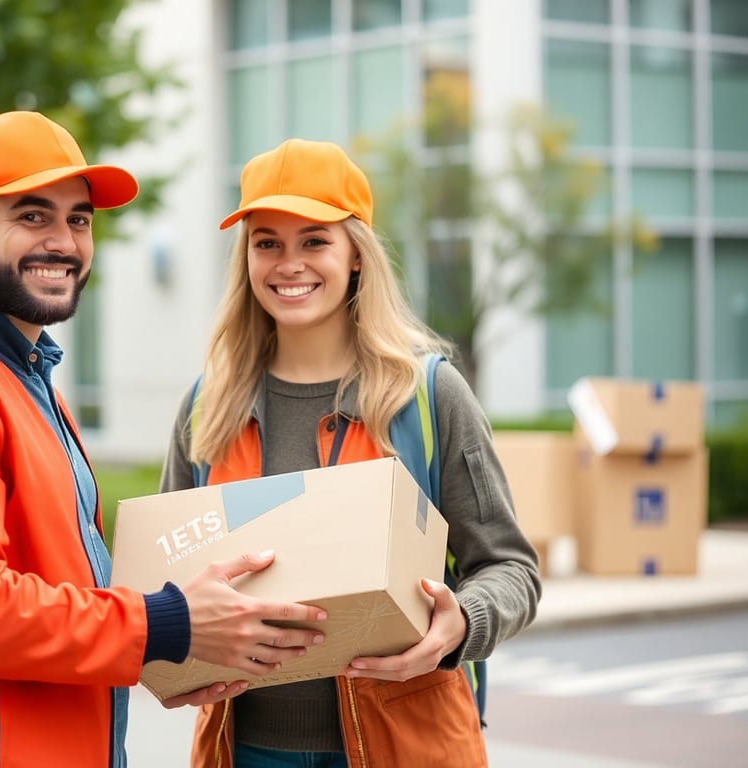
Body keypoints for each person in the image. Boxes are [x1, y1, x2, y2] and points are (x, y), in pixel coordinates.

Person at [0, 111, 329, 768]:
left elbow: (60, 594)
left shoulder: (26, 377)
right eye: (32, 216)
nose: (63, 240)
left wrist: (163, 653)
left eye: (79, 219)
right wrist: (168, 622)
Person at [159, 138, 542, 767]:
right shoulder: (208, 406)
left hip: (406, 745)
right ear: (247, 257)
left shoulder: (428, 396)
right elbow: (170, 584)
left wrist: (461, 624)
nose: (289, 263)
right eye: (267, 242)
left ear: (356, 255)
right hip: (242, 748)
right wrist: (170, 652)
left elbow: (511, 570)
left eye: (314, 240)